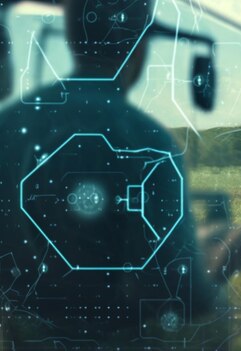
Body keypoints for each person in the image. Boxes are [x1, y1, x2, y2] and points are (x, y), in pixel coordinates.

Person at [0, 0, 213, 346]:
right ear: (140, 46)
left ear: (71, 38)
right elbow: (180, 292)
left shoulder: (7, 124)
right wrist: (231, 251)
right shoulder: (148, 141)